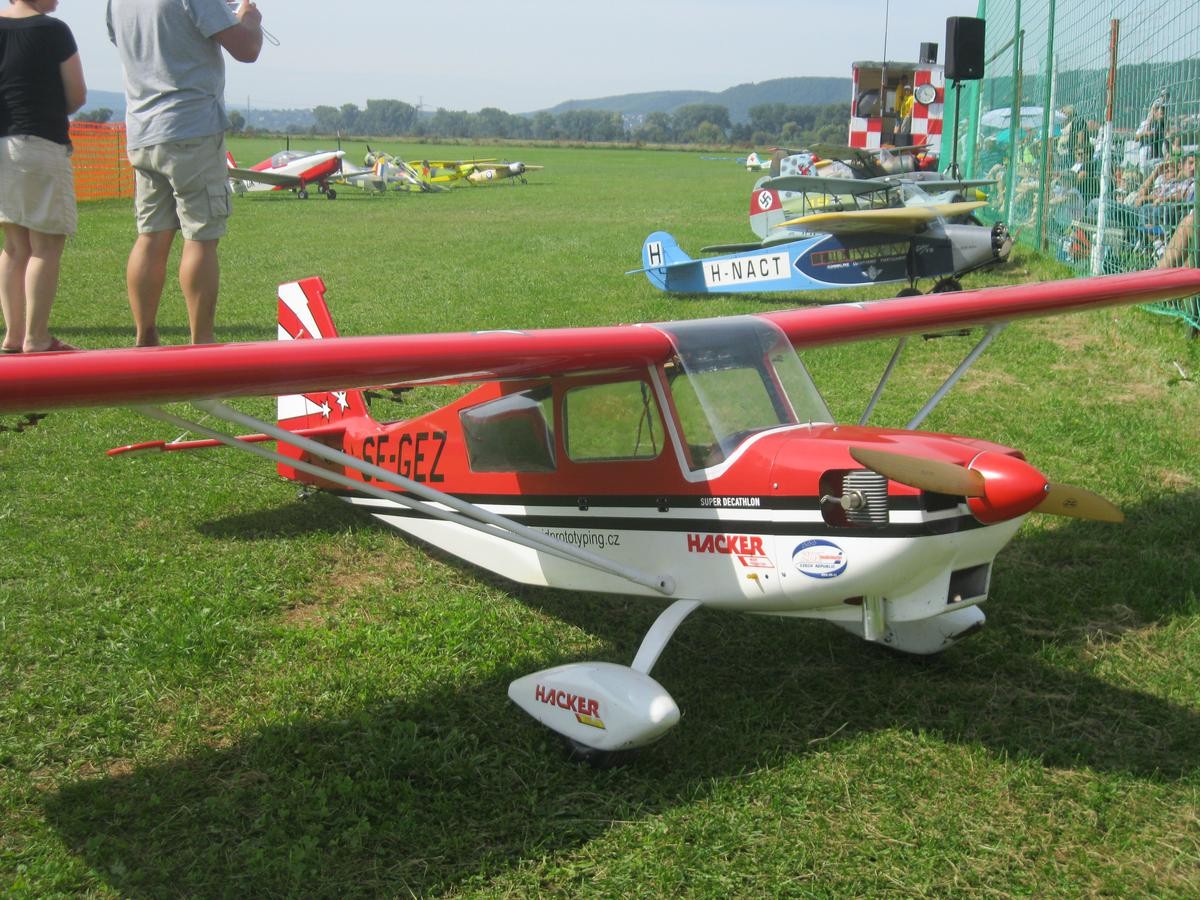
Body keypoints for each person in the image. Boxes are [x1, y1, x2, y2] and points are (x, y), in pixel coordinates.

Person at [106, 0, 263, 346]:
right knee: (201, 236)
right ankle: (201, 342)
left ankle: (145, 336)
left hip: (142, 131)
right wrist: (249, 18)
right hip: (191, 128)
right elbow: (247, 49)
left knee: (151, 235)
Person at [0, 0, 86, 354]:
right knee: (46, 246)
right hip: (39, 144)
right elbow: (76, 95)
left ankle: (13, 336)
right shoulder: (54, 30)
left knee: (14, 246)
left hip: (1, 146)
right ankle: (36, 338)